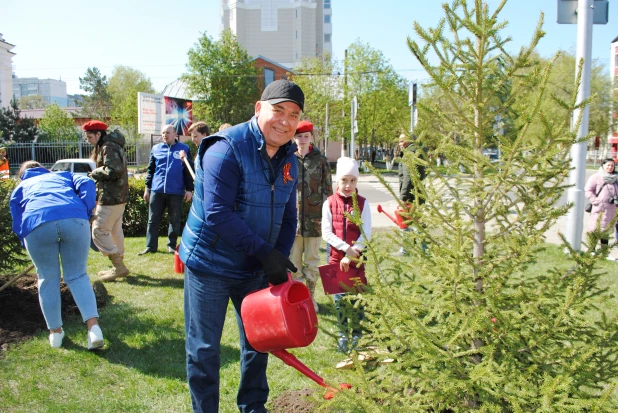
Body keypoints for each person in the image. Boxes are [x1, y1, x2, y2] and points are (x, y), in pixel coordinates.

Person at [179, 79, 303, 413]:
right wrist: (265, 253)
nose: (285, 121)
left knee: (258, 342)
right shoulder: (225, 148)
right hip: (210, 265)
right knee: (204, 349)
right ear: (259, 109)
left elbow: (289, 214)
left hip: (254, 268)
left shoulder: (291, 157)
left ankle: (252, 407)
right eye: (278, 111)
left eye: (293, 115)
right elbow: (217, 214)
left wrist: (277, 257)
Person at [10, 161, 104, 350]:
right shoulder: (62, 175)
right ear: (44, 169)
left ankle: (55, 333)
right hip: (74, 219)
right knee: (77, 275)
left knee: (47, 278)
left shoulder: (21, 187)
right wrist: (86, 211)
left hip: (36, 223)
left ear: (23, 175)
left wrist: (26, 241)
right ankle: (94, 329)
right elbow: (87, 183)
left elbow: (18, 219)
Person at [322, 157, 372, 353]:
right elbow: (327, 232)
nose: (348, 185)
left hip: (356, 258)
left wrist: (353, 252)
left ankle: (358, 334)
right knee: (339, 299)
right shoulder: (329, 203)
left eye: (352, 180)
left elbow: (366, 232)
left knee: (357, 298)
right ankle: (344, 334)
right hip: (335, 257)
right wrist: (344, 249)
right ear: (337, 181)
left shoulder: (362, 203)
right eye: (344, 180)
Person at [289, 120, 332, 313]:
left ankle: (311, 296)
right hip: (293, 221)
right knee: (294, 263)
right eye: (299, 136)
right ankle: (299, 299)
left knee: (312, 262)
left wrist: (328, 216)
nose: (302, 140)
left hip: (314, 220)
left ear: (311, 137)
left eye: (306, 136)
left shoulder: (320, 160)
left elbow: (328, 190)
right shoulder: (288, 157)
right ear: (294, 137)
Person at [83, 120, 130, 282]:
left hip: (110, 197)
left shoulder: (107, 146)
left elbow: (114, 170)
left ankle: (118, 267)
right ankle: (119, 264)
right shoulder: (112, 144)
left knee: (99, 231)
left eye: (89, 136)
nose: (88, 139)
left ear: (98, 134)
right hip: (118, 195)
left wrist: (94, 172)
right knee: (115, 230)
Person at [139, 124, 194, 255]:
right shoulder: (156, 149)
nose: (164, 135)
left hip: (176, 190)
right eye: (163, 133)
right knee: (153, 219)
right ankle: (150, 246)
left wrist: (189, 190)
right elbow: (150, 170)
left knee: (174, 219)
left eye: (168, 132)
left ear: (175, 134)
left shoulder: (184, 149)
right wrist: (147, 188)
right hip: (157, 190)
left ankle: (171, 245)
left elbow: (188, 170)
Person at [396, 133, 427, 255]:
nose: (399, 143)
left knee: (405, 222)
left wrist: (403, 197)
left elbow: (407, 177)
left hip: (410, 195)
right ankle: (423, 249)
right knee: (418, 221)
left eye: (401, 140)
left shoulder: (409, 153)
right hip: (419, 193)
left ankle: (405, 249)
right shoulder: (419, 151)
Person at [585, 157, 618, 257]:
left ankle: (604, 253)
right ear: (603, 165)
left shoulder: (615, 178)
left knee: (606, 230)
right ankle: (592, 250)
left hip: (611, 209)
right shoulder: (596, 177)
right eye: (608, 165)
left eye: (612, 165)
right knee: (596, 228)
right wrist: (595, 201)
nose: (610, 167)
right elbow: (588, 190)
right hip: (599, 208)